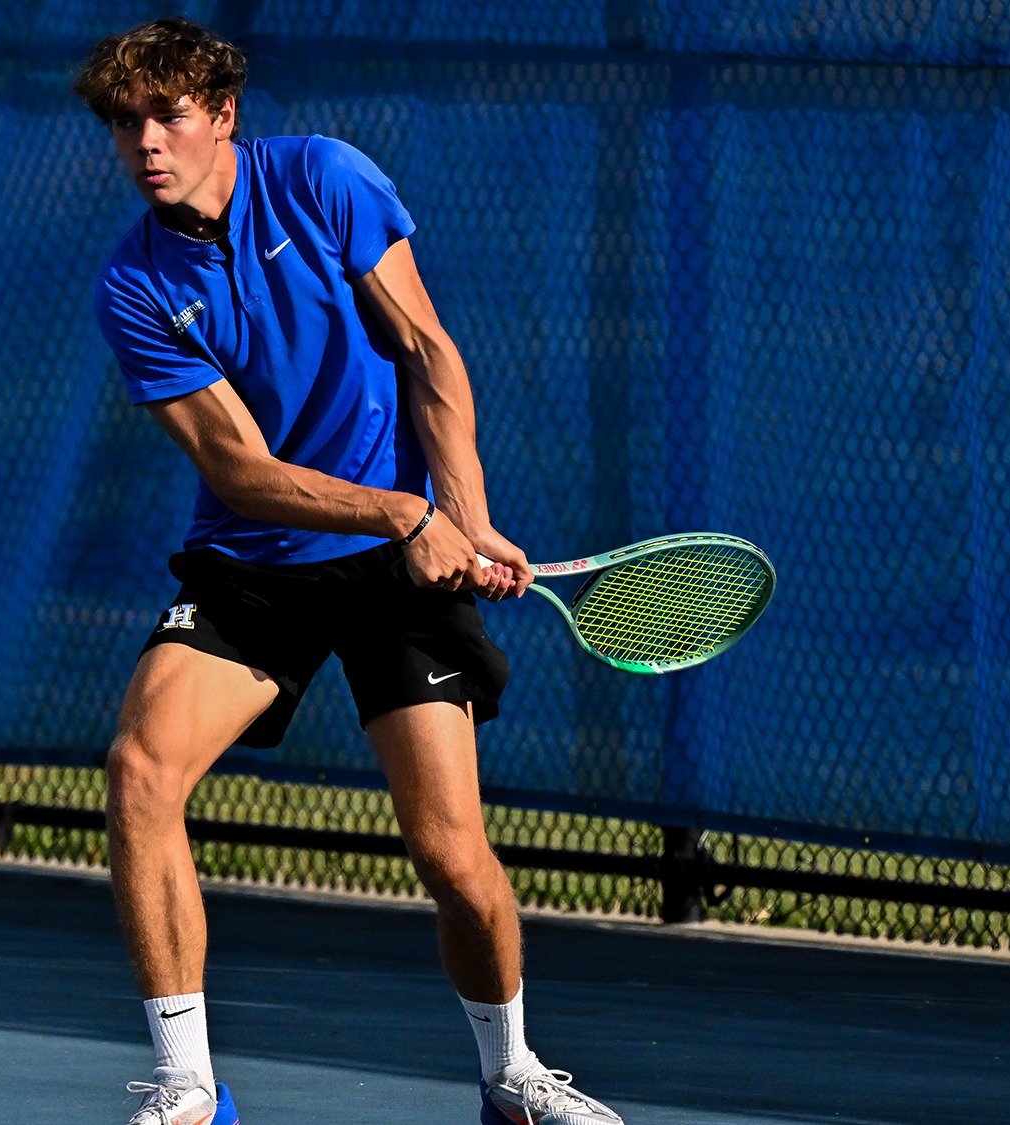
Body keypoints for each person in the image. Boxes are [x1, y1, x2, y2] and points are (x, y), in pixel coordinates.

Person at [74, 18, 625, 1125]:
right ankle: (187, 1087)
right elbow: (240, 471)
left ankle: (511, 1076)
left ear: (222, 115)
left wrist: (461, 518)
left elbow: (426, 351)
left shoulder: (325, 180)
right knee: (140, 770)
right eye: (126, 121)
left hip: (397, 574)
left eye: (169, 113)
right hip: (256, 565)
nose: (147, 140)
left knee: (450, 853)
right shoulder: (133, 285)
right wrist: (408, 511)